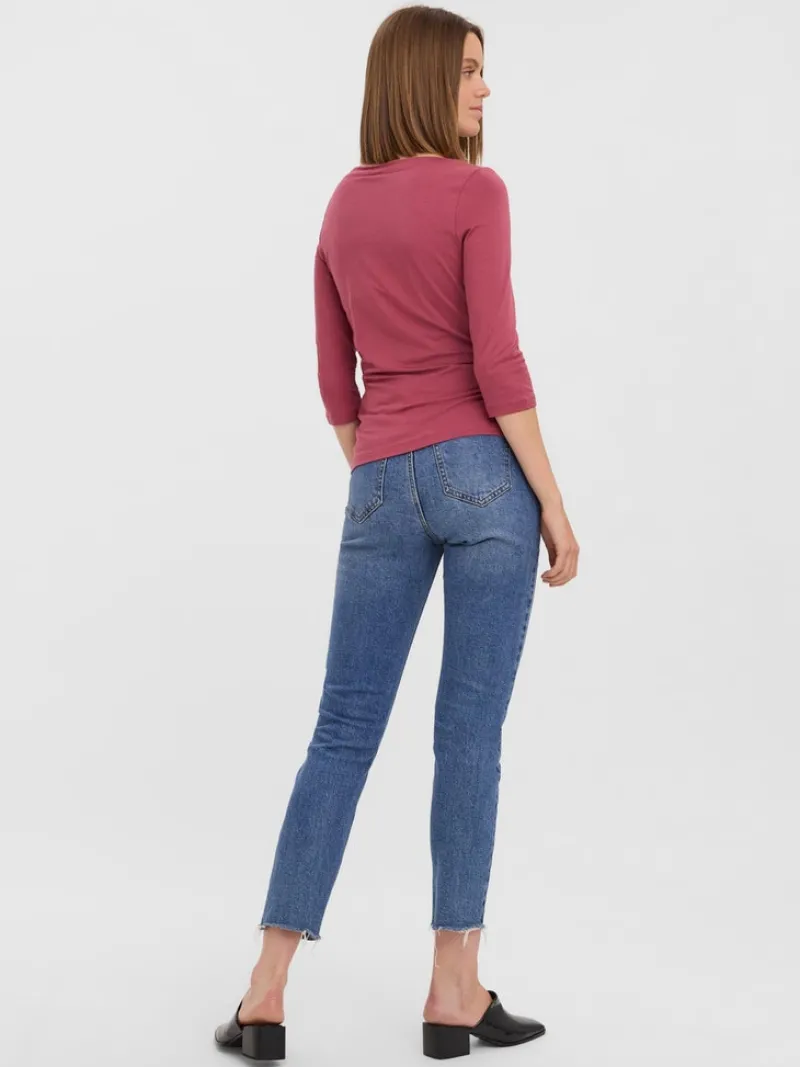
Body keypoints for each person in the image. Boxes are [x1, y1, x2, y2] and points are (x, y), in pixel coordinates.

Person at [214, 4, 579, 1060]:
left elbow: (337, 385)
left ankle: (265, 992)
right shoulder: (476, 193)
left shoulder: (342, 203)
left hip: (376, 473)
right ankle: (452, 988)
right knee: (468, 735)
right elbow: (498, 361)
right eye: (468, 70)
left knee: (341, 729)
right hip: (485, 480)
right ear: (421, 79)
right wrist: (552, 502)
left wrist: (385, 472)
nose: (484, 88)